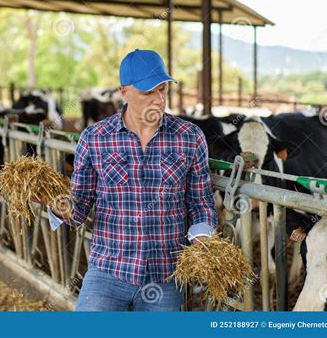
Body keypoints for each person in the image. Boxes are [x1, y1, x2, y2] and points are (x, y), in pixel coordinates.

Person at [36, 49, 218, 311]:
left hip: (166, 275)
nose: (158, 100)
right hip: (108, 271)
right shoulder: (95, 137)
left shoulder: (190, 137)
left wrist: (202, 238)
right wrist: (55, 204)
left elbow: (201, 203)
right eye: (148, 92)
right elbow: (81, 204)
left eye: (163, 90)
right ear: (124, 92)